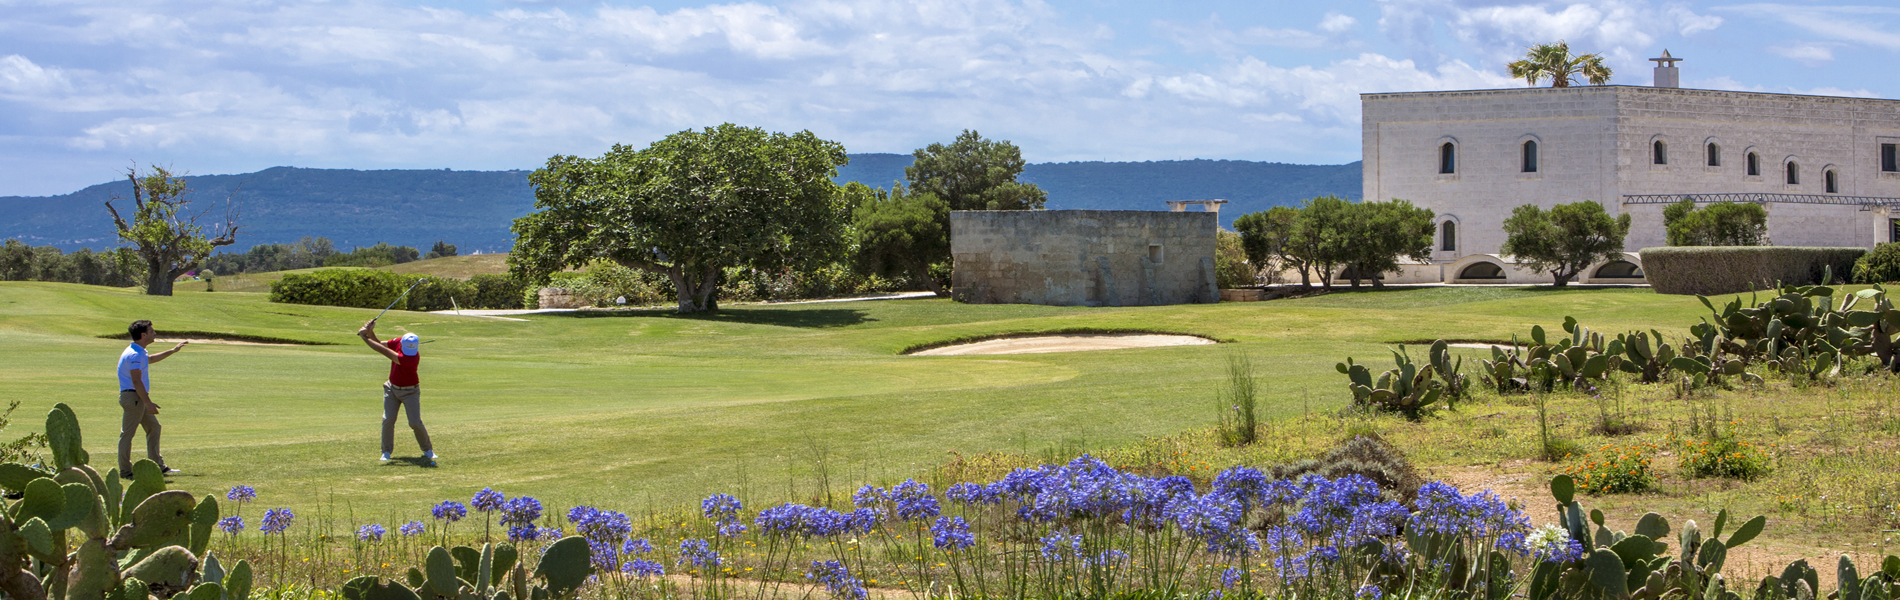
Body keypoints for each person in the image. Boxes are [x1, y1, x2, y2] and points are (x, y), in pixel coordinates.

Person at [357, 319, 436, 462]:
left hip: (410, 392)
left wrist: (364, 337)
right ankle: (386, 452)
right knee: (388, 419)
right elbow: (380, 343)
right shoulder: (399, 342)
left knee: (415, 422)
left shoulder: (410, 358)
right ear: (403, 343)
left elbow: (381, 350)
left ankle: (428, 450)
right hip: (391, 389)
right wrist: (370, 332)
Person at [118, 320, 187, 478]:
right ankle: (126, 471)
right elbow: (136, 381)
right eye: (151, 331)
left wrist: (173, 350)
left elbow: (152, 359)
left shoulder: (139, 351)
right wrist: (148, 402)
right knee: (127, 434)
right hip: (133, 397)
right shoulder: (134, 354)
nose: (154, 333)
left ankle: (158, 466)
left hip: (138, 397)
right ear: (143, 335)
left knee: (154, 428)